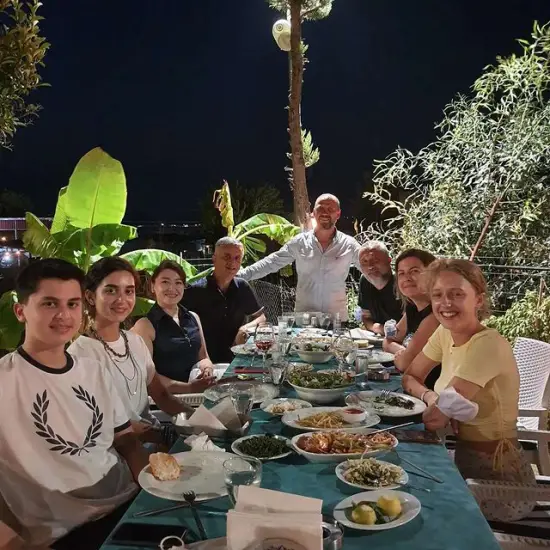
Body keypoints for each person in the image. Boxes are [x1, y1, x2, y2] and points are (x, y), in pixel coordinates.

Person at [0, 259, 148, 548]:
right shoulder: (6, 381)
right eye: (49, 304)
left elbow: (126, 439)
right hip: (66, 530)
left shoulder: (93, 371)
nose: (64, 315)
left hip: (128, 503)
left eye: (72, 304)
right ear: (20, 311)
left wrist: (155, 489)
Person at [403, 259, 535, 521]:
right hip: (461, 463)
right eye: (438, 295)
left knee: (416, 510)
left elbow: (435, 419)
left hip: (499, 484)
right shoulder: (445, 333)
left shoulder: (487, 344)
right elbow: (410, 376)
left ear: (478, 300)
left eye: (457, 294)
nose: (446, 303)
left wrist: (438, 407)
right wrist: (431, 396)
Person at [69, 257, 202, 445]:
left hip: (156, 438)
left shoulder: (134, 341)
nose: (121, 299)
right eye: (111, 290)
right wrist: (164, 437)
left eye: (129, 291)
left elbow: (162, 396)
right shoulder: (79, 356)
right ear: (90, 297)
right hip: (117, 452)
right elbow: (95, 424)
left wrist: (200, 420)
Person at [238, 194, 360, 320]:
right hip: (304, 322)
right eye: (321, 208)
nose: (325, 213)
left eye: (330, 209)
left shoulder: (349, 244)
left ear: (338, 214)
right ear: (313, 212)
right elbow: (272, 262)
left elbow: (369, 268)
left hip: (337, 321)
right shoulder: (300, 242)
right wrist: (238, 276)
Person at [132, 260, 218, 389]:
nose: (172, 288)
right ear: (152, 286)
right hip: (168, 397)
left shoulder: (193, 317)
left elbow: (203, 357)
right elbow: (148, 376)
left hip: (199, 391)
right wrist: (188, 388)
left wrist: (207, 369)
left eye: (178, 282)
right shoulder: (145, 325)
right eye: (165, 282)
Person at [182, 238, 266, 363]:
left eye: (237, 258)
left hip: (237, 358)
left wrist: (244, 329)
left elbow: (261, 317)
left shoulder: (242, 287)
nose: (232, 262)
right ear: (214, 259)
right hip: (204, 362)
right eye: (227, 257)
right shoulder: (195, 290)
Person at [382, 248, 441, 388]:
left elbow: (404, 363)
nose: (407, 278)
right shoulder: (412, 309)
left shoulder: (436, 315)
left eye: (414, 271)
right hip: (415, 386)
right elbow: (388, 340)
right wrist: (403, 352)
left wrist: (403, 355)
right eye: (401, 273)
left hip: (431, 391)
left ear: (433, 275)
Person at [357, 241, 403, 334]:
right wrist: (378, 328)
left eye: (376, 260)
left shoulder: (402, 283)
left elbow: (410, 323)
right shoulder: (365, 281)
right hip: (380, 337)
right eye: (365, 261)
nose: (370, 266)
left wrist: (388, 332)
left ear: (389, 261)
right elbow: (366, 317)